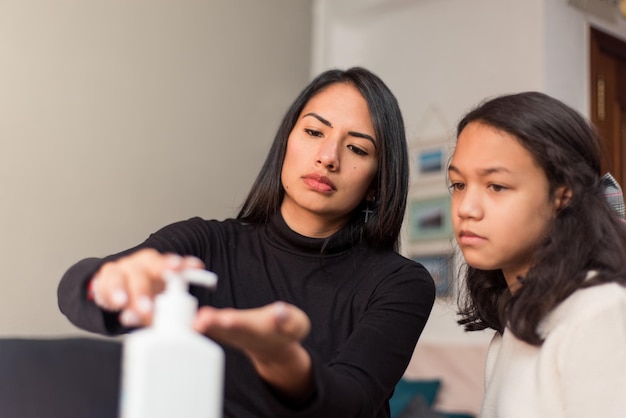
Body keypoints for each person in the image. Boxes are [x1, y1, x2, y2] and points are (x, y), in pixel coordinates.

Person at [57, 67, 436, 418]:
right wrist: (112, 280)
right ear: (286, 141)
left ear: (375, 186)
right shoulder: (205, 244)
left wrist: (281, 359)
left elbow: (351, 401)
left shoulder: (401, 283)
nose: (327, 157)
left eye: (357, 148)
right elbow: (74, 290)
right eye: (314, 132)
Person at [447, 91, 626, 418]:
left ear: (563, 194)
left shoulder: (598, 312)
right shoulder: (511, 325)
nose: (466, 209)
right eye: (458, 184)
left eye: (496, 186)